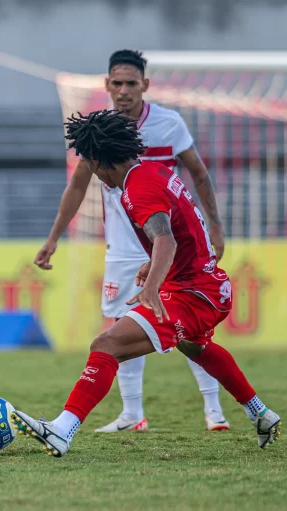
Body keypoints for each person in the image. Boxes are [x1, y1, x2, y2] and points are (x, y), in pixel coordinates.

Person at [13, 110, 280, 458]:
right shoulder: (154, 170)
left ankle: (62, 430)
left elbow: (166, 240)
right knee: (195, 347)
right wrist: (152, 264)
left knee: (106, 344)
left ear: (97, 160)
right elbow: (183, 230)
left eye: (89, 164)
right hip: (205, 283)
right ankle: (260, 413)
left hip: (194, 293)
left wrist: (152, 284)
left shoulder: (138, 189)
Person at [35, 49, 229, 433]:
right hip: (124, 247)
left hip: (166, 240)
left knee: (190, 326)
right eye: (117, 83)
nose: (123, 91)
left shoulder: (168, 124)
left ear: (145, 85)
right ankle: (132, 413)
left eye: (131, 84)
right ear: (106, 85)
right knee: (120, 324)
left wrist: (215, 226)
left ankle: (214, 409)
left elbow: (199, 174)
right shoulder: (96, 133)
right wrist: (53, 237)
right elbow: (76, 185)